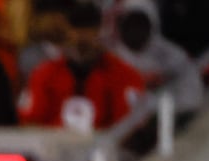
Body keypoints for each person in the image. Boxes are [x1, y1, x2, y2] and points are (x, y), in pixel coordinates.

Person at [19, 3, 143, 131]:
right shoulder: (43, 75)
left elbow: (130, 129)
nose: (82, 37)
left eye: (90, 30)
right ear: (66, 33)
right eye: (77, 29)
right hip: (53, 147)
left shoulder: (125, 76)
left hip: (104, 148)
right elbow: (29, 124)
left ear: (101, 32)